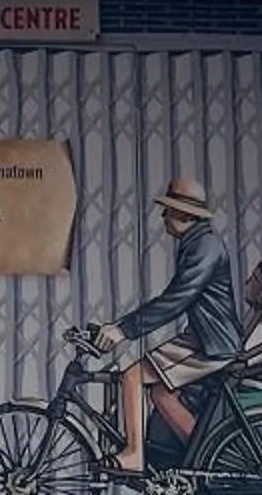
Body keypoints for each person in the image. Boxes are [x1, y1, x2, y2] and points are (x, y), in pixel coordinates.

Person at [95, 177, 241, 476]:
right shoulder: (198, 243)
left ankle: (134, 456)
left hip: (211, 345)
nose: (163, 215)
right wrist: (118, 325)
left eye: (169, 210)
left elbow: (176, 300)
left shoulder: (205, 247)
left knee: (132, 376)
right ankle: (206, 456)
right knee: (161, 392)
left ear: (185, 214)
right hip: (205, 339)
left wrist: (124, 330)